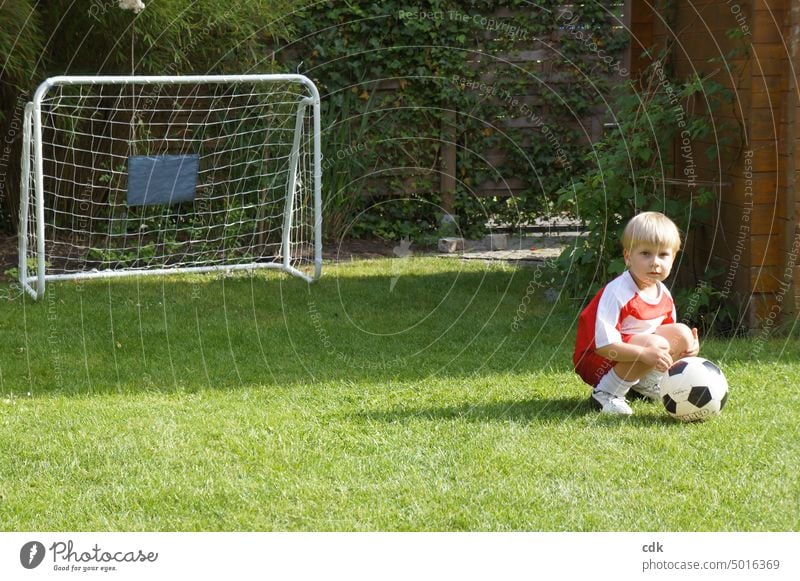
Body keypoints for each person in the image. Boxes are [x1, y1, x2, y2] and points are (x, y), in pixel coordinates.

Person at [573, 211, 699, 415]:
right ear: (628, 257)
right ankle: (606, 393)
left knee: (681, 334)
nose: (655, 262)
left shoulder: (663, 293)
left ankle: (645, 384)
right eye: (646, 254)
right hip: (597, 359)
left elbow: (668, 336)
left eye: (663, 255)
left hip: (635, 352)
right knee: (656, 344)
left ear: (673, 258)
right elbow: (604, 346)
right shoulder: (617, 293)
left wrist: (688, 349)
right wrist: (644, 353)